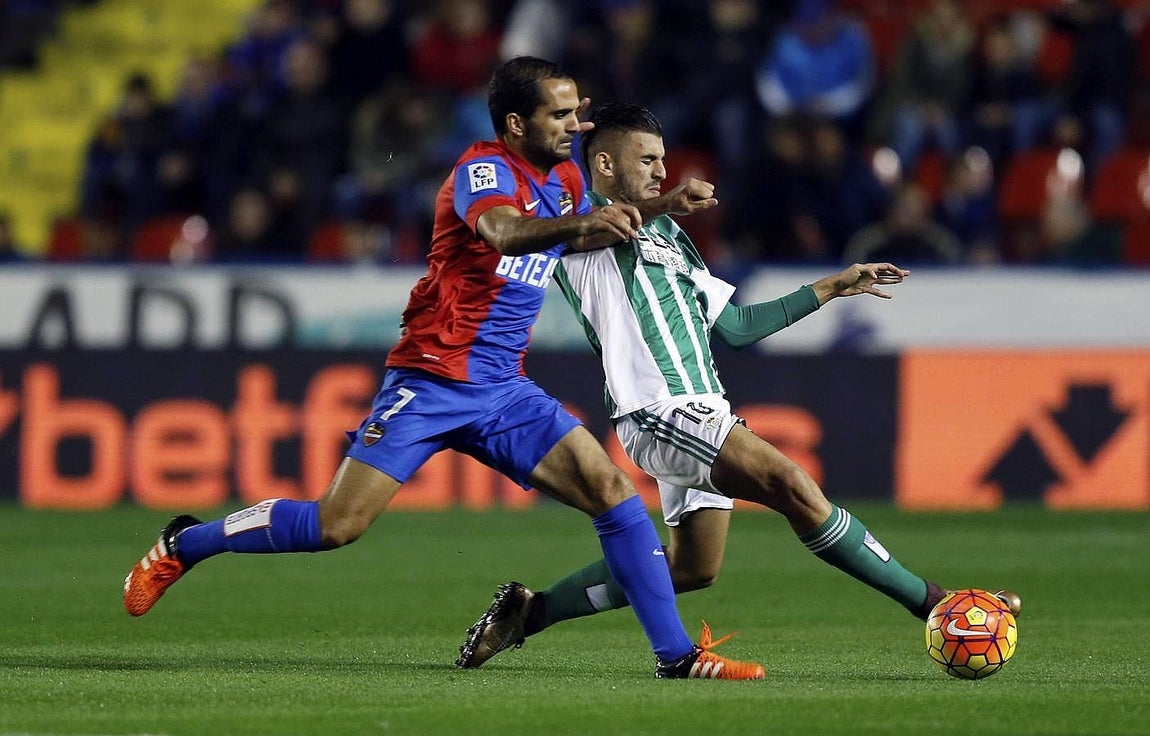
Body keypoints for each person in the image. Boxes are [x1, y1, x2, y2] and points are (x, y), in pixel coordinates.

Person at [122, 57, 765, 681]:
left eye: (577, 113)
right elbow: (507, 235)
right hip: (431, 381)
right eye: (561, 114)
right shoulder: (481, 170)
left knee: (615, 495)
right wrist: (589, 219)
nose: (577, 125)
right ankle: (186, 544)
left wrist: (662, 204)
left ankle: (677, 657)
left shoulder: (567, 181)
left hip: (504, 389)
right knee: (335, 525)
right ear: (517, 124)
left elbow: (582, 235)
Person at [456, 102, 1021, 669]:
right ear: (603, 162)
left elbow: (738, 328)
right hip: (657, 406)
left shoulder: (671, 238)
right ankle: (934, 603)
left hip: (701, 404)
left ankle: (531, 612)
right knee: (792, 484)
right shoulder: (577, 215)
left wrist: (832, 286)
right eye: (646, 159)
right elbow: (586, 215)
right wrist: (636, 185)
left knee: (692, 567)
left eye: (663, 160)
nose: (659, 171)